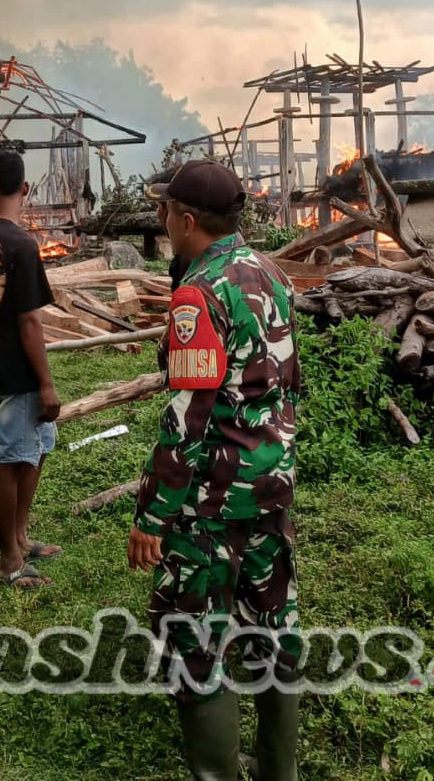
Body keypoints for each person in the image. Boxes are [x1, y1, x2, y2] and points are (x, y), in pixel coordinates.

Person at [128, 160, 302, 781]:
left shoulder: (198, 294)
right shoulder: (270, 272)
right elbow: (287, 383)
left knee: (194, 643)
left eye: (165, 211)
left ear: (187, 218)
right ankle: (279, 771)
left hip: (209, 503)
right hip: (271, 486)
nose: (162, 220)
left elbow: (188, 416)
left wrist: (153, 514)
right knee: (274, 625)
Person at [0, 149, 63, 590]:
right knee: (11, 456)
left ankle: (21, 538)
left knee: (38, 444)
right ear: (25, 189)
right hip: (20, 367)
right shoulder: (22, 244)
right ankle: (9, 561)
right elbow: (29, 320)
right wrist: (46, 382)